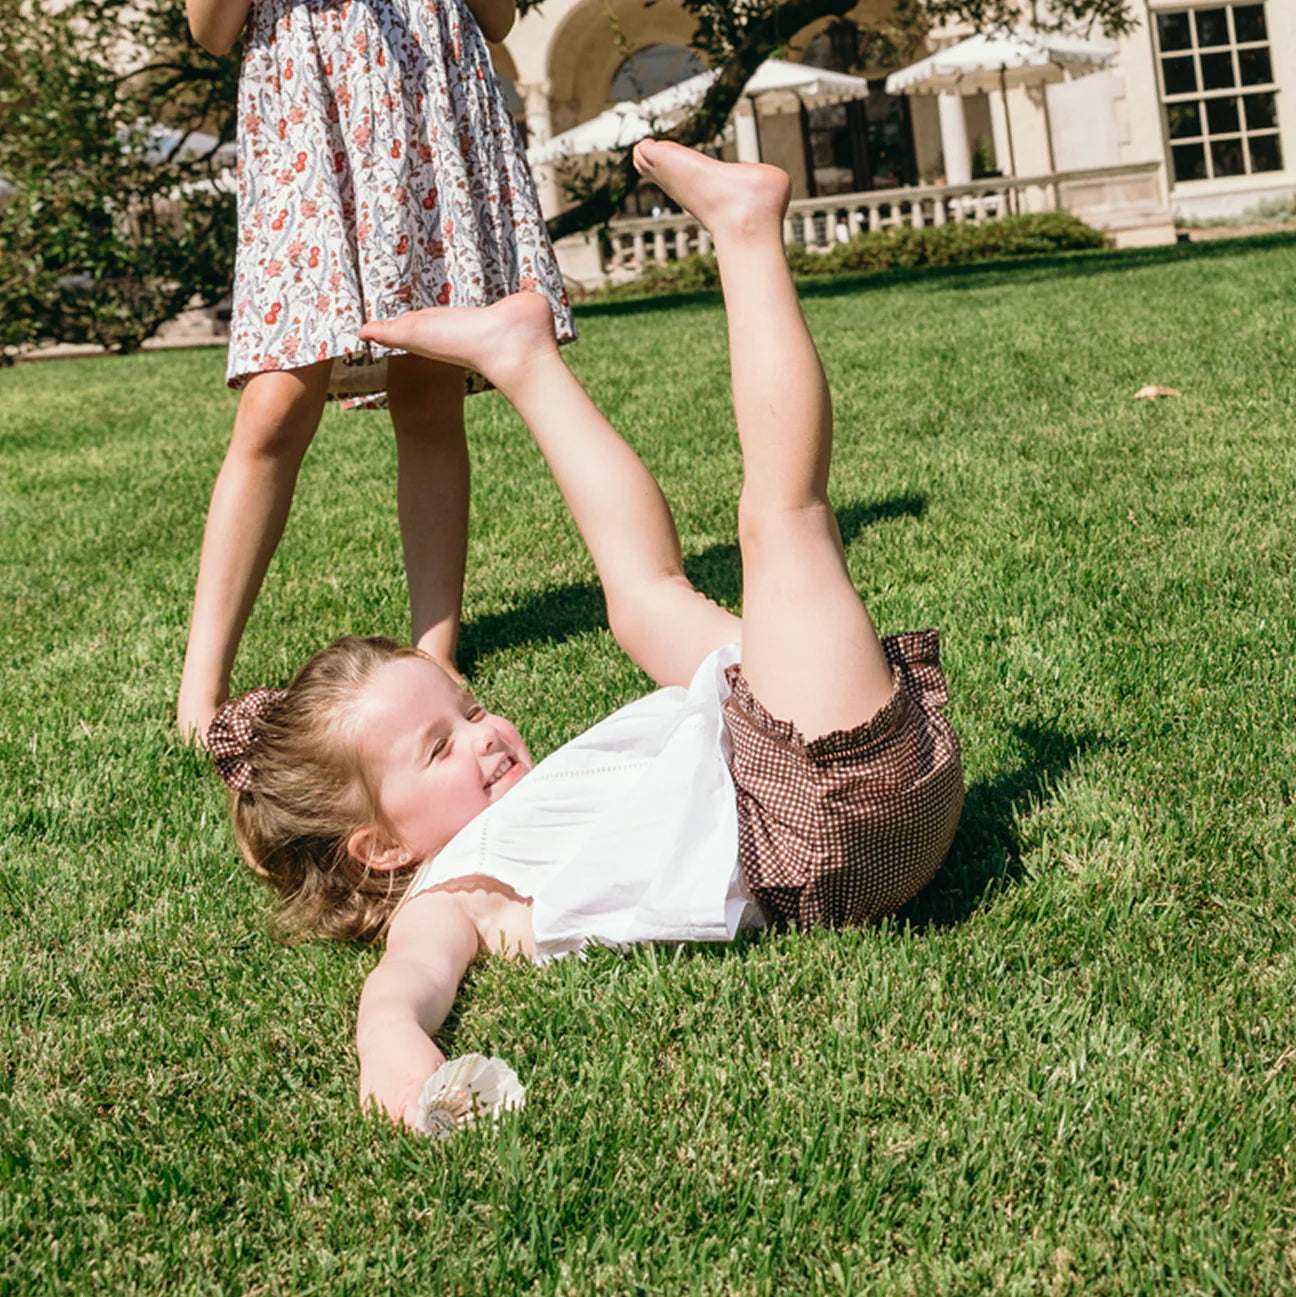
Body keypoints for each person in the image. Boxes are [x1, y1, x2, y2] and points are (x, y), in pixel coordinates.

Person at [207, 143, 964, 1128]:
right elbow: (397, 997)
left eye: (467, 710)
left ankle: (525, 359)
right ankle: (745, 233)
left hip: (801, 772)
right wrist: (406, 1065)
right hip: (820, 827)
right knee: (785, 520)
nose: (485, 734)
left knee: (643, 601)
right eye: (439, 747)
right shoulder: (449, 896)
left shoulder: (500, 814)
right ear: (382, 846)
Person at [177, 0, 574, 739]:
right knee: (273, 405)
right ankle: (200, 697)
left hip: (425, 92)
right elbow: (211, 31)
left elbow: (496, 19)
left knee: (429, 392)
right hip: (307, 104)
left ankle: (436, 651)